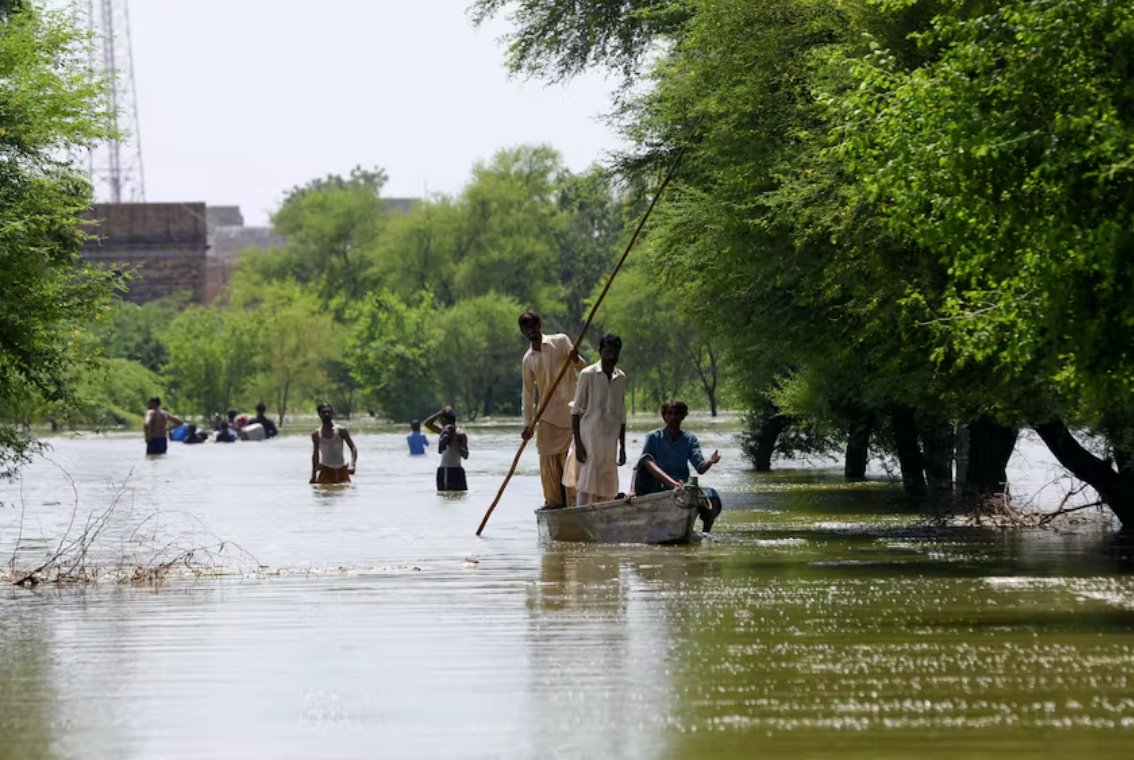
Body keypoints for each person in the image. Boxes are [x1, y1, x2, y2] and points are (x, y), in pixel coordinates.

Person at [519, 311, 586, 508]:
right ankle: (554, 501)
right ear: (523, 332)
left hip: (570, 413)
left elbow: (581, 367)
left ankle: (574, 501)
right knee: (547, 459)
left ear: (539, 325)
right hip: (546, 415)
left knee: (570, 458)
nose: (531, 330)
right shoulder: (528, 359)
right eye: (526, 328)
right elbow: (528, 393)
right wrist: (528, 424)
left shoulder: (561, 341)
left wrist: (574, 358)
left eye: (533, 326)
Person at [629, 399, 724, 531]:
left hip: (683, 488)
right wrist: (632, 490)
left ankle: (706, 534)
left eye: (677, 414)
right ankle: (673, 486)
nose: (673, 417)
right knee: (646, 459)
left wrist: (710, 461)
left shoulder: (689, 439)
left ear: (683, 416)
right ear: (664, 416)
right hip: (658, 488)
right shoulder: (653, 437)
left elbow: (700, 468)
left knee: (712, 496)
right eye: (670, 413)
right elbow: (640, 465)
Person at [569, 334, 627, 505]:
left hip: (610, 439)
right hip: (590, 438)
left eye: (615, 353)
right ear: (600, 351)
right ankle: (582, 516)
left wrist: (623, 446)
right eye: (608, 352)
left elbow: (621, 414)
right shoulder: (588, 374)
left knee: (608, 482)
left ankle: (604, 518)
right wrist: (578, 443)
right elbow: (576, 410)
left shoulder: (621, 377)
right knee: (588, 482)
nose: (611, 357)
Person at [310, 402, 357, 484]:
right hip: (325, 470)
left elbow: (353, 448)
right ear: (319, 414)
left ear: (332, 413)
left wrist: (353, 464)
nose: (327, 414)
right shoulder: (316, 434)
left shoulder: (341, 431)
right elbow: (315, 455)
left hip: (341, 469)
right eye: (324, 412)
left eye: (329, 411)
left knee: (343, 492)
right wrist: (313, 475)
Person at [424, 406, 468, 491]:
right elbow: (427, 424)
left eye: (440, 421)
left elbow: (465, 455)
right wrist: (440, 413)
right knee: (446, 498)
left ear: (444, 421)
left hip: (454, 470)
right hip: (444, 470)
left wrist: (455, 443)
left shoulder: (461, 435)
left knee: (456, 497)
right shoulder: (443, 432)